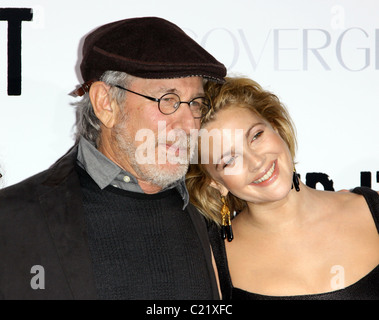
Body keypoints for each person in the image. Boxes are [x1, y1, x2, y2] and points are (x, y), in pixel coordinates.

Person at [0, 17, 226, 299]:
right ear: (106, 104)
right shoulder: (13, 218)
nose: (189, 125)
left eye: (196, 104)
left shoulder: (210, 210)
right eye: (168, 100)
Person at [186, 76, 379, 300]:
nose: (256, 161)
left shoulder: (372, 210)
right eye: (229, 160)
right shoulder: (211, 262)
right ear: (215, 182)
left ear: (276, 127)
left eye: (256, 136)